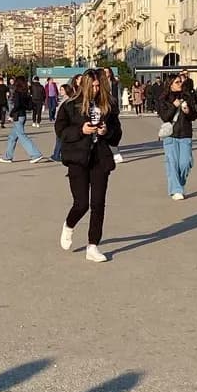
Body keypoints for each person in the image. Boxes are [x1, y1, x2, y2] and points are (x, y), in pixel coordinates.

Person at [55, 68, 122, 261]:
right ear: (84, 86)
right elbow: (61, 131)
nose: (96, 88)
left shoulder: (108, 106)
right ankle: (69, 225)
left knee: (98, 203)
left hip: (100, 158)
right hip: (78, 159)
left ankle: (92, 246)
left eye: (98, 85)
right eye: (92, 85)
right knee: (82, 203)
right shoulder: (70, 106)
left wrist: (106, 132)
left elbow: (117, 136)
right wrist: (81, 130)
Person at [157, 70, 197, 199]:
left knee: (185, 163)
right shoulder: (163, 99)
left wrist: (188, 111)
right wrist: (174, 106)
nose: (180, 83)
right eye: (177, 82)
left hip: (185, 134)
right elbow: (165, 117)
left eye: (181, 81)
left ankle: (179, 183)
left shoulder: (187, 96)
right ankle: (176, 190)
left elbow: (194, 116)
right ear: (170, 84)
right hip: (171, 135)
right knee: (172, 163)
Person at [0, 75, 44, 163]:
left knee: (22, 136)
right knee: (12, 137)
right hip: (22, 115)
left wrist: (11, 114)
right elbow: (28, 105)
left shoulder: (17, 93)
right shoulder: (25, 92)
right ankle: (7, 156)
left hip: (18, 115)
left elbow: (16, 105)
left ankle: (35, 154)